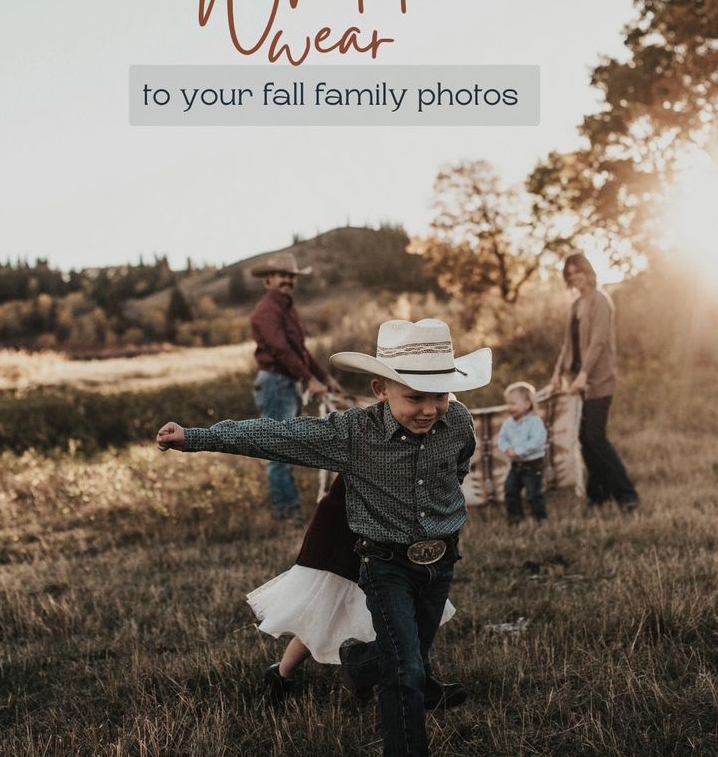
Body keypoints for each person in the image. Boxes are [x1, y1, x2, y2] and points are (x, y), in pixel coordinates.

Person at [157, 318, 492, 757]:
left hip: (441, 560)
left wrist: (445, 515)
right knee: (405, 669)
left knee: (411, 655)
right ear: (380, 389)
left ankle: (356, 660)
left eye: (440, 396)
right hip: (385, 564)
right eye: (415, 397)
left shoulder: (459, 423)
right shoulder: (353, 433)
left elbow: (457, 468)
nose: (429, 409)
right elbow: (277, 435)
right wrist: (195, 437)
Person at [249, 473, 456, 706]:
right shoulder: (366, 445)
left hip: (387, 537)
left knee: (402, 612)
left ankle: (407, 681)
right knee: (325, 615)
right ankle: (281, 675)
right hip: (345, 535)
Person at [248, 251, 341, 522]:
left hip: (285, 384)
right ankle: (286, 512)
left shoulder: (286, 308)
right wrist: (309, 379)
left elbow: (300, 351)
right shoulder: (265, 312)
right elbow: (281, 351)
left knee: (285, 445)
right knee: (278, 447)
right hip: (277, 383)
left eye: (291, 275)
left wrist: (324, 377)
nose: (288, 280)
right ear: (268, 280)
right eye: (281, 275)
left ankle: (288, 509)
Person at [550, 253, 639, 510]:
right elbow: (568, 344)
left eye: (578, 271)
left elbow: (598, 341)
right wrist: (558, 374)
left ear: (588, 271)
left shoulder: (601, 301)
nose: (574, 277)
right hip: (578, 381)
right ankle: (598, 496)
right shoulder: (576, 305)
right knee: (584, 438)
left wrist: (584, 375)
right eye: (570, 274)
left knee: (595, 437)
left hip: (598, 380)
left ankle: (627, 494)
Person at [498, 381, 548, 525]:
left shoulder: (535, 422)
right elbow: (502, 438)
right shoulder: (508, 423)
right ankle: (515, 519)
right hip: (516, 466)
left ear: (527, 404)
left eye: (513, 403)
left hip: (533, 466)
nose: (509, 407)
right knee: (510, 490)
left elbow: (537, 442)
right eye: (508, 403)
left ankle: (540, 519)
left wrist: (518, 451)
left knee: (534, 494)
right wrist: (507, 448)